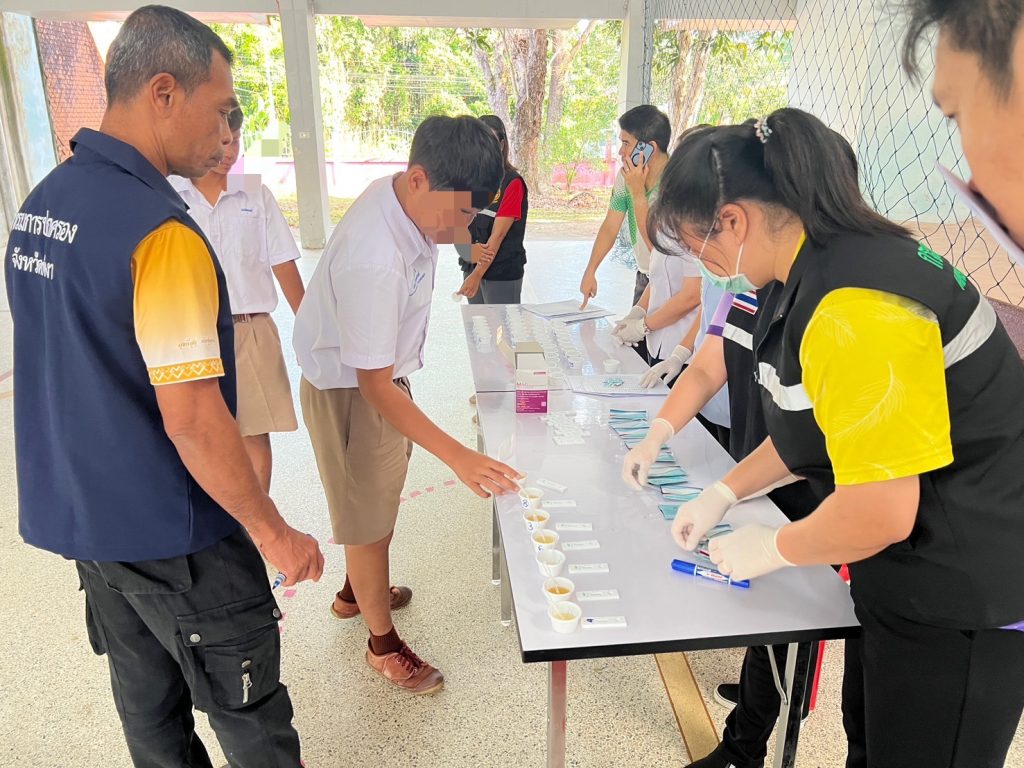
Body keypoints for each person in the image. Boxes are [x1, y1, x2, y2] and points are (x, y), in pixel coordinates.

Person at [635, 108, 1024, 768]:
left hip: (963, 595)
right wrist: (724, 492)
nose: (703, 262)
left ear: (734, 220)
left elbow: (881, 511)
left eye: (698, 244)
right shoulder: (818, 271)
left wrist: (775, 547)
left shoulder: (858, 303)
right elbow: (817, 430)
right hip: (907, 574)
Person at [3, 6, 323, 767]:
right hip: (176, 536)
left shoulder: (43, 206)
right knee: (251, 723)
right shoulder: (160, 234)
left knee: (152, 723)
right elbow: (192, 418)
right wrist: (272, 531)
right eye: (221, 109)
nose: (226, 133)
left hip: (91, 529)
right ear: (164, 92)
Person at [293, 115, 522, 695]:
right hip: (354, 393)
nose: (464, 228)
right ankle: (382, 644)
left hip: (381, 380)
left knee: (376, 503)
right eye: (461, 213)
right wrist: (459, 457)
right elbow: (373, 387)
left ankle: (357, 592)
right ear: (418, 178)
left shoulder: (406, 202)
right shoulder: (375, 254)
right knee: (368, 522)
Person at [172, 107, 304, 492]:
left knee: (254, 433)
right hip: (188, 334)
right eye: (220, 141)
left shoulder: (255, 193)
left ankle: (255, 520)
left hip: (250, 330)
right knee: (196, 433)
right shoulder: (170, 194)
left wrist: (312, 331)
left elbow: (283, 264)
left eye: (235, 141)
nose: (229, 152)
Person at [579, 105, 671, 316]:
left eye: (626, 143)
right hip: (645, 275)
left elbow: (661, 246)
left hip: (672, 278)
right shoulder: (626, 177)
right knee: (633, 333)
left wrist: (638, 192)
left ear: (649, 148)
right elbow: (610, 226)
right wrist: (591, 270)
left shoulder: (675, 181)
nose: (620, 152)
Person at [457, 114, 529, 304]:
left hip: (502, 274)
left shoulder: (512, 183)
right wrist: (468, 253)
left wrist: (477, 275)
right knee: (476, 323)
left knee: (501, 323)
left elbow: (498, 235)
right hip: (471, 267)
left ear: (502, 144)